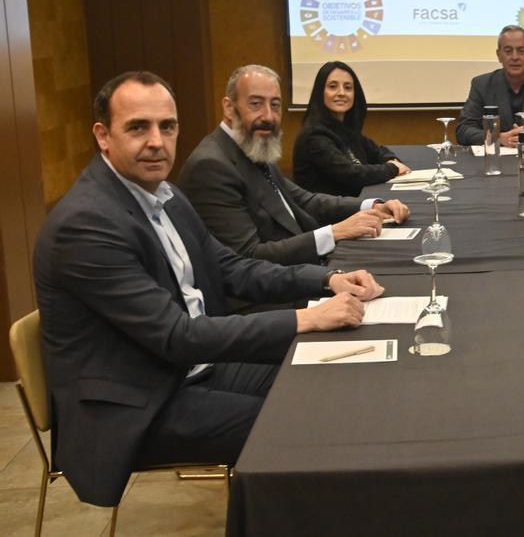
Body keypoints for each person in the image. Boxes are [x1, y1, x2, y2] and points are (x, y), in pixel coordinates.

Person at [34, 71, 382, 507]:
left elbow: (231, 267)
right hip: (137, 403)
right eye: (138, 127)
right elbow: (177, 337)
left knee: (321, 380)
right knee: (294, 422)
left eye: (168, 126)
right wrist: (306, 318)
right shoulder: (86, 225)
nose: (157, 141)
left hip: (191, 370)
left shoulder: (165, 195)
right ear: (103, 136)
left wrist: (326, 279)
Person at [178, 65, 410, 266]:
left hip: (299, 266)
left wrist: (371, 205)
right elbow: (248, 257)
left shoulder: (251, 145)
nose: (268, 116)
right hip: (267, 296)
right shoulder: (211, 166)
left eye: (275, 105)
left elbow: (303, 200)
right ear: (229, 108)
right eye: (256, 104)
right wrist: (335, 232)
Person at [293, 60, 411, 196]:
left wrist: (389, 159)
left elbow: (378, 152)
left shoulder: (344, 128)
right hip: (329, 215)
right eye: (332, 87)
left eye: (348, 87)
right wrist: (392, 168)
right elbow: (351, 174)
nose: (342, 93)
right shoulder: (314, 136)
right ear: (320, 92)